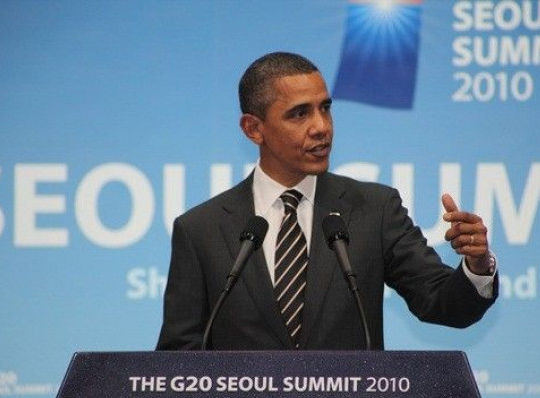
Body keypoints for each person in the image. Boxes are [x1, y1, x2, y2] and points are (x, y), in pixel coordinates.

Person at [156, 52, 497, 351]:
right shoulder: (200, 230)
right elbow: (177, 362)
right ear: (253, 129)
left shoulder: (374, 209)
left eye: (325, 108)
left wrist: (477, 267)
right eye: (299, 114)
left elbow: (443, 304)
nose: (321, 127)